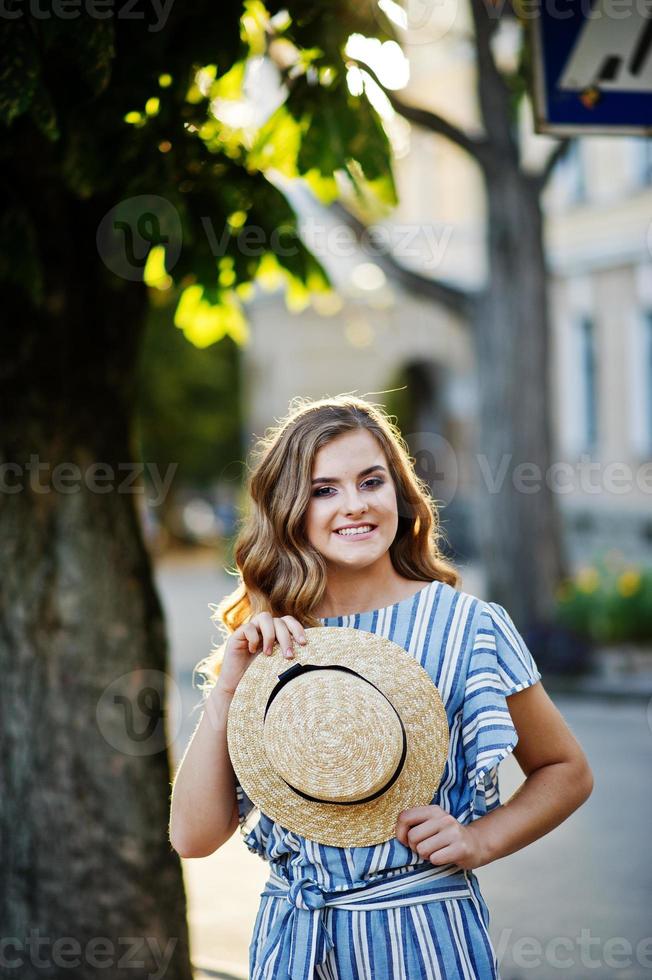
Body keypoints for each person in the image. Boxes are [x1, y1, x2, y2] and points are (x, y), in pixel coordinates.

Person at [169, 394, 594, 980]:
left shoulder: (468, 627)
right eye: (324, 489)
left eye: (371, 481)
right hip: (291, 942)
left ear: (399, 491)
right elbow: (192, 837)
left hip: (421, 938)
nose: (355, 506)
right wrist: (229, 690)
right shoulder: (276, 641)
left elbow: (566, 768)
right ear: (290, 507)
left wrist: (482, 841)